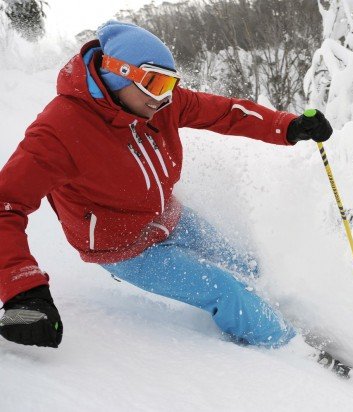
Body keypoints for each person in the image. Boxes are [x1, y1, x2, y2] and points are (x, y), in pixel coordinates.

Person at [0, 21, 332, 349]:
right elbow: (6, 204)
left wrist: (287, 126)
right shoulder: (60, 130)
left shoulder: (160, 103)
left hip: (168, 218)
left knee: (244, 261)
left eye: (170, 84)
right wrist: (24, 291)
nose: (164, 97)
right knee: (224, 289)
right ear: (120, 73)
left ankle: (272, 309)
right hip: (123, 248)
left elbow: (224, 112)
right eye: (155, 83)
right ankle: (294, 349)